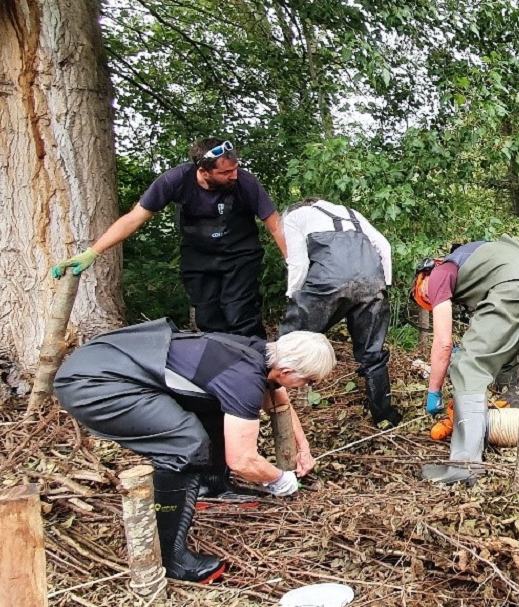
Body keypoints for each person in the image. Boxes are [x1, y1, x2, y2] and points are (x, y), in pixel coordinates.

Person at [53, 319, 335, 582]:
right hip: (95, 383)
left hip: (110, 363)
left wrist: (303, 447)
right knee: (185, 444)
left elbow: (278, 400)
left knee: (213, 408)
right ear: (286, 371)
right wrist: (278, 479)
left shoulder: (258, 353)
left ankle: (210, 487)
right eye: (307, 381)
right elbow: (242, 460)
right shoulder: (244, 379)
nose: (305, 388)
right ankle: (169, 557)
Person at [50, 139, 287, 338]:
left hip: (241, 256)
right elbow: (134, 218)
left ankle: (259, 371)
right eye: (225, 172)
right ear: (203, 171)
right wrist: (93, 252)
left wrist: (293, 262)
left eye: (235, 169)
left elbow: (275, 225)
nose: (234, 175)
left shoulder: (244, 183)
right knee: (208, 319)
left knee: (240, 315)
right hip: (199, 259)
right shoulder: (175, 181)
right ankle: (222, 372)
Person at [411, 236, 519, 485]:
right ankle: (511, 415)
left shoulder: (438, 275)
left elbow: (442, 343)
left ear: (424, 275)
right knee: (504, 355)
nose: (427, 297)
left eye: (423, 294)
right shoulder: (478, 252)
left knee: (466, 366)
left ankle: (465, 466)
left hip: (516, 285)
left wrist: (434, 391)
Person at [279, 198, 399, 426]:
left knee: (292, 341)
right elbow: (385, 247)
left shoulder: (295, 217)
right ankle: (384, 417)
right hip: (372, 283)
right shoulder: (352, 213)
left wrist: (293, 294)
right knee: (372, 353)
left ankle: (285, 408)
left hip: (327, 283)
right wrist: (385, 285)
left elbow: (299, 264)